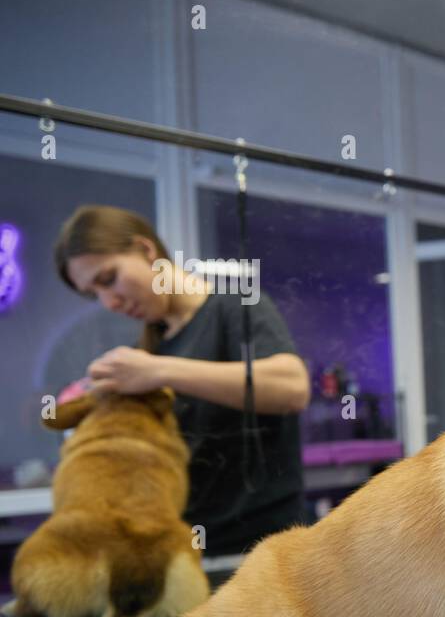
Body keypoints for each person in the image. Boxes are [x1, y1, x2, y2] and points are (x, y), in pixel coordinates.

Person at [55, 204, 311, 558]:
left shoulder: (235, 307)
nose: (109, 302)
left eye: (108, 278)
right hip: (186, 550)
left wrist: (158, 371)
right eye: (93, 293)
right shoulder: (150, 347)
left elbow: (292, 387)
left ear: (146, 251)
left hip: (262, 552)